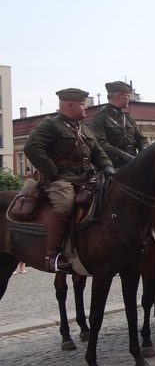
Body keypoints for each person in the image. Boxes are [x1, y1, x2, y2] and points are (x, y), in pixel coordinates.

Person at [24, 88, 114, 273]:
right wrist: (53, 171)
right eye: (82, 104)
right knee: (64, 203)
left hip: (86, 178)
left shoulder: (84, 128)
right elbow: (32, 147)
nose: (85, 108)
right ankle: (53, 254)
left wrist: (107, 167)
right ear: (69, 105)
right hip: (61, 180)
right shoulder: (50, 125)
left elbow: (97, 152)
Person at [89, 81, 149, 170]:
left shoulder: (128, 118)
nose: (129, 98)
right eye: (127, 95)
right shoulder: (100, 118)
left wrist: (145, 149)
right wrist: (122, 155)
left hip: (134, 162)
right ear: (117, 96)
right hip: (113, 164)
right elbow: (100, 143)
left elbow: (141, 138)